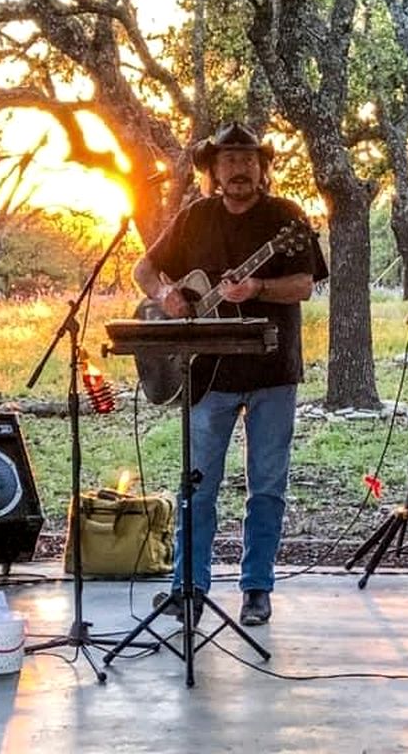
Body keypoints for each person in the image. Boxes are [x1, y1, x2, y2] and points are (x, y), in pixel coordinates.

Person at [133, 122, 327, 627]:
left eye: (248, 160)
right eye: (229, 160)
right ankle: (189, 587)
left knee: (266, 486)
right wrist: (166, 295)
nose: (239, 168)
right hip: (206, 377)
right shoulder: (194, 217)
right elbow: (144, 270)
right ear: (214, 171)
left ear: (262, 169)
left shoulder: (287, 218)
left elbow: (304, 285)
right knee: (197, 486)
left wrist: (258, 288)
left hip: (272, 372)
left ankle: (256, 588)